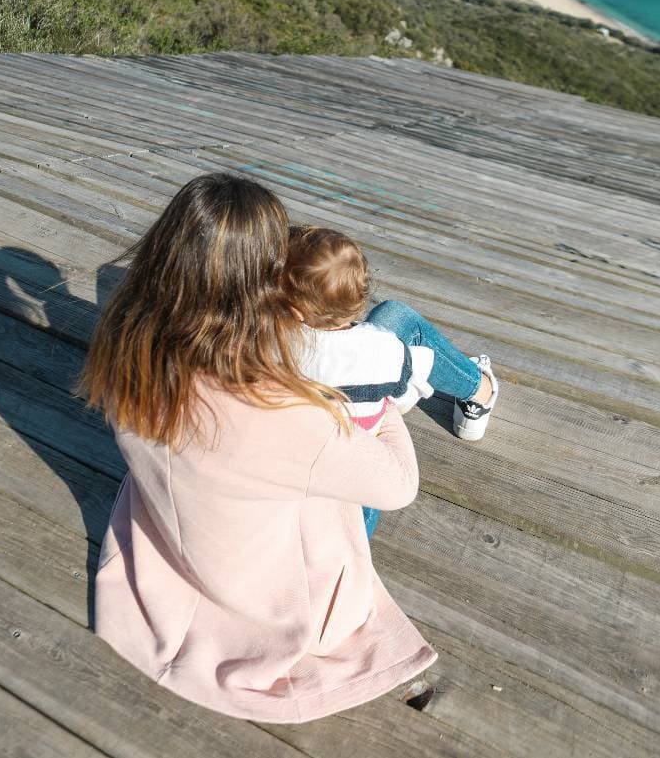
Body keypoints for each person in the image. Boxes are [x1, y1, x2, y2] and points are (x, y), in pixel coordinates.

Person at [75, 173, 436, 723]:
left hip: (175, 533)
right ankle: (476, 390)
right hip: (268, 587)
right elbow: (398, 488)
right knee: (396, 323)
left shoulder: (130, 335)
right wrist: (377, 406)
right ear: (263, 277)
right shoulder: (280, 409)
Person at [284, 226, 499, 538]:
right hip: (359, 493)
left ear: (293, 309)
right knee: (395, 315)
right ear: (358, 299)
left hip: (301, 483)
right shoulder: (384, 351)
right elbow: (404, 398)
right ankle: (479, 392)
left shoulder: (275, 343)